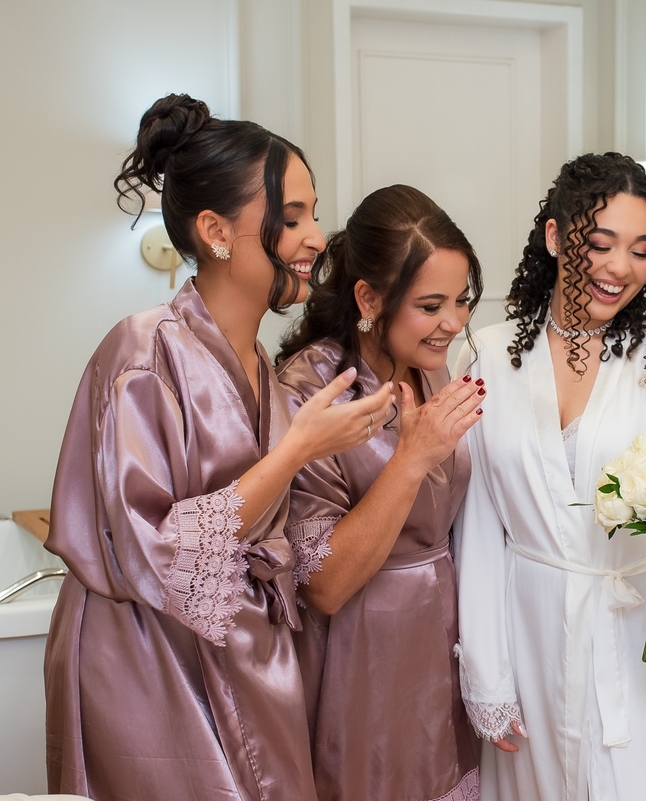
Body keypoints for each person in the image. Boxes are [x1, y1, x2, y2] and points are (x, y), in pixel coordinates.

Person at [43, 94, 393, 800]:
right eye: (291, 217)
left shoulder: (260, 364)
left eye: (314, 214)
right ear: (215, 231)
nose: (316, 236)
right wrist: (296, 451)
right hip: (145, 657)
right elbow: (158, 548)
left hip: (243, 649)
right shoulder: (142, 353)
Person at [454, 153, 646, 801]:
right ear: (554, 237)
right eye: (600, 243)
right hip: (530, 638)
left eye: (642, 250)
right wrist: (487, 674)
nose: (621, 267)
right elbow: (476, 526)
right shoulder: (488, 356)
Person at [275, 184, 485, 800]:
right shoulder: (312, 388)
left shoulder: (428, 367)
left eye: (461, 301)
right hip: (361, 655)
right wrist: (411, 459)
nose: (454, 323)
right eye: (431, 305)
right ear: (369, 298)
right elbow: (324, 585)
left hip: (439, 638)